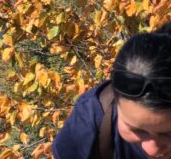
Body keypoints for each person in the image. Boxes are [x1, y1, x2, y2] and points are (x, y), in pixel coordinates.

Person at [53, 23, 171, 159]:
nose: (152, 150)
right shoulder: (91, 122)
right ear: (116, 102)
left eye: (169, 133)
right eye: (137, 130)